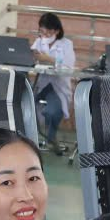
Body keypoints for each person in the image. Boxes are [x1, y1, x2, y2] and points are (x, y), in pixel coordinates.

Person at [31, 12, 76, 154]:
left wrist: (49, 59)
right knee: (23, 105)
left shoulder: (66, 44)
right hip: (41, 84)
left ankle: (51, 138)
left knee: (52, 111)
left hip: (57, 87)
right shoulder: (38, 42)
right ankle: (28, 138)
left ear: (57, 31)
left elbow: (69, 66)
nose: (44, 35)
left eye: (48, 32)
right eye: (42, 31)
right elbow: (31, 58)